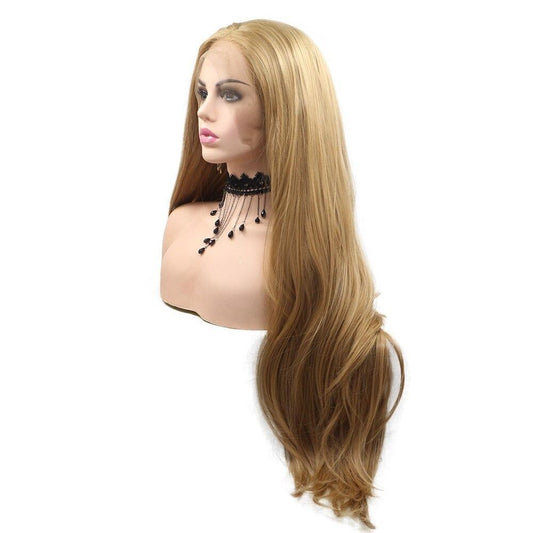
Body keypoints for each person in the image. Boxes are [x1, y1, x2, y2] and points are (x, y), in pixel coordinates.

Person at [160, 19, 405, 529]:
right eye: (202, 92)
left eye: (230, 94)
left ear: (286, 108)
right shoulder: (180, 223)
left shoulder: (295, 260)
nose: (204, 110)